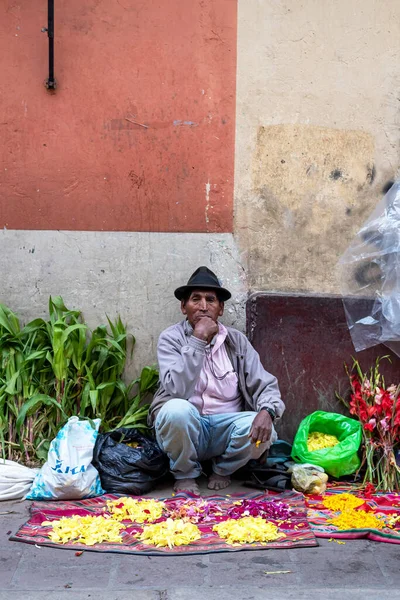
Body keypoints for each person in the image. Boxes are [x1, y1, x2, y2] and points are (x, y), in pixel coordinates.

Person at [149, 266, 285, 495]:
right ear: (184, 307)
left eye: (211, 300)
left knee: (265, 428)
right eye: (195, 299)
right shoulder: (171, 339)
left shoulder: (236, 342)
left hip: (226, 430)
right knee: (176, 410)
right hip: (187, 428)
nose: (203, 307)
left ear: (220, 309)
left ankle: (223, 469)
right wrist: (198, 339)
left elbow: (265, 384)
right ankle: (185, 473)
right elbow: (177, 390)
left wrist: (268, 411)